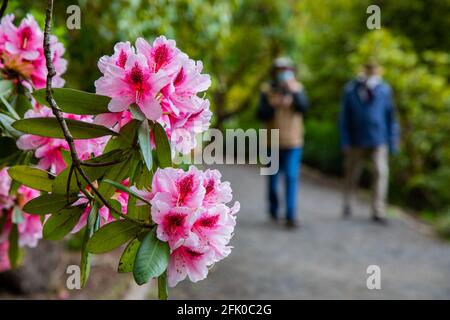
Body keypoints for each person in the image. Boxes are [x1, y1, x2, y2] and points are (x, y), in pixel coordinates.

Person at [339, 60, 399, 224]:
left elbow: (391, 116)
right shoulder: (352, 89)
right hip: (356, 137)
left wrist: (393, 140)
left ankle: (378, 210)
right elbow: (344, 117)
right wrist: (344, 140)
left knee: (381, 172)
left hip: (379, 137)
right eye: (368, 68)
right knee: (352, 172)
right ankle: (348, 202)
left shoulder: (384, 90)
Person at [257, 57, 309, 229]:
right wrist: (275, 104)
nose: (283, 73)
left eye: (286, 69)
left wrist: (293, 91)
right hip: (272, 142)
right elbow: (260, 114)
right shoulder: (267, 91)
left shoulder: (298, 89)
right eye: (280, 69)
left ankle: (290, 215)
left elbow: (304, 108)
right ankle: (273, 210)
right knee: (272, 180)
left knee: (291, 177)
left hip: (293, 142)